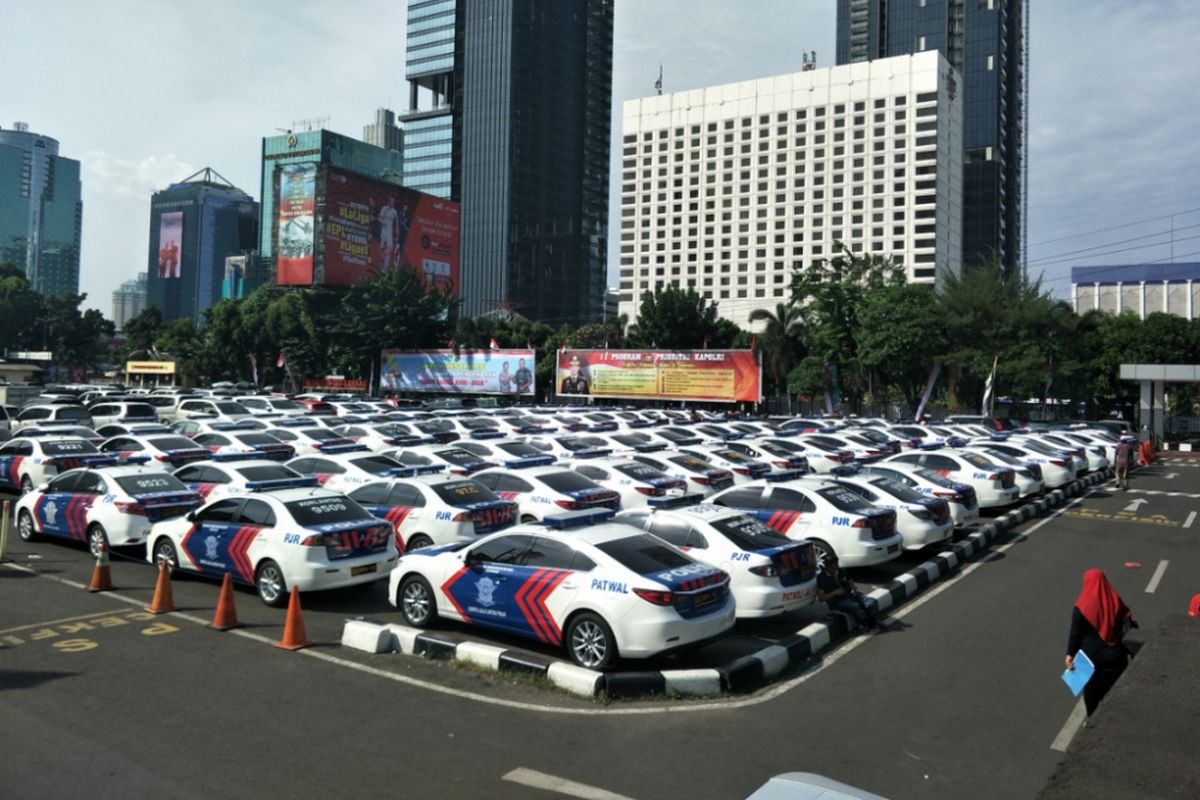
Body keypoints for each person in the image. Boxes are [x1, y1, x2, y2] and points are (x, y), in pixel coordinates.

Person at [1065, 569, 1136, 716]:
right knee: (1114, 695)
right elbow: (1129, 625)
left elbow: (1075, 634)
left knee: (1091, 694)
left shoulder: (1082, 605)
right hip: (1116, 658)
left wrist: (1069, 654)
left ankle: (1092, 722)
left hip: (1090, 662)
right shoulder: (1116, 601)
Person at [816, 554, 883, 631]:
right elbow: (821, 598)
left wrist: (853, 587)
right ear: (826, 567)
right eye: (830, 565)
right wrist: (835, 593)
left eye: (835, 563)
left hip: (849, 595)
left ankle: (873, 621)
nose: (834, 567)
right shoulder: (821, 578)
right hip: (837, 601)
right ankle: (862, 623)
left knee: (870, 602)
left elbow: (850, 581)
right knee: (855, 606)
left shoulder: (841, 571)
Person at [378, 196, 399, 269]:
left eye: (393, 201)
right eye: (390, 201)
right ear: (388, 201)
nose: (391, 202)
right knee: (381, 248)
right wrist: (382, 222)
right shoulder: (384, 208)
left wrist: (397, 230)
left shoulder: (394, 211)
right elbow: (379, 218)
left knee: (389, 248)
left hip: (389, 232)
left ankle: (385, 267)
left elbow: (396, 222)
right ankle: (383, 259)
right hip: (384, 230)